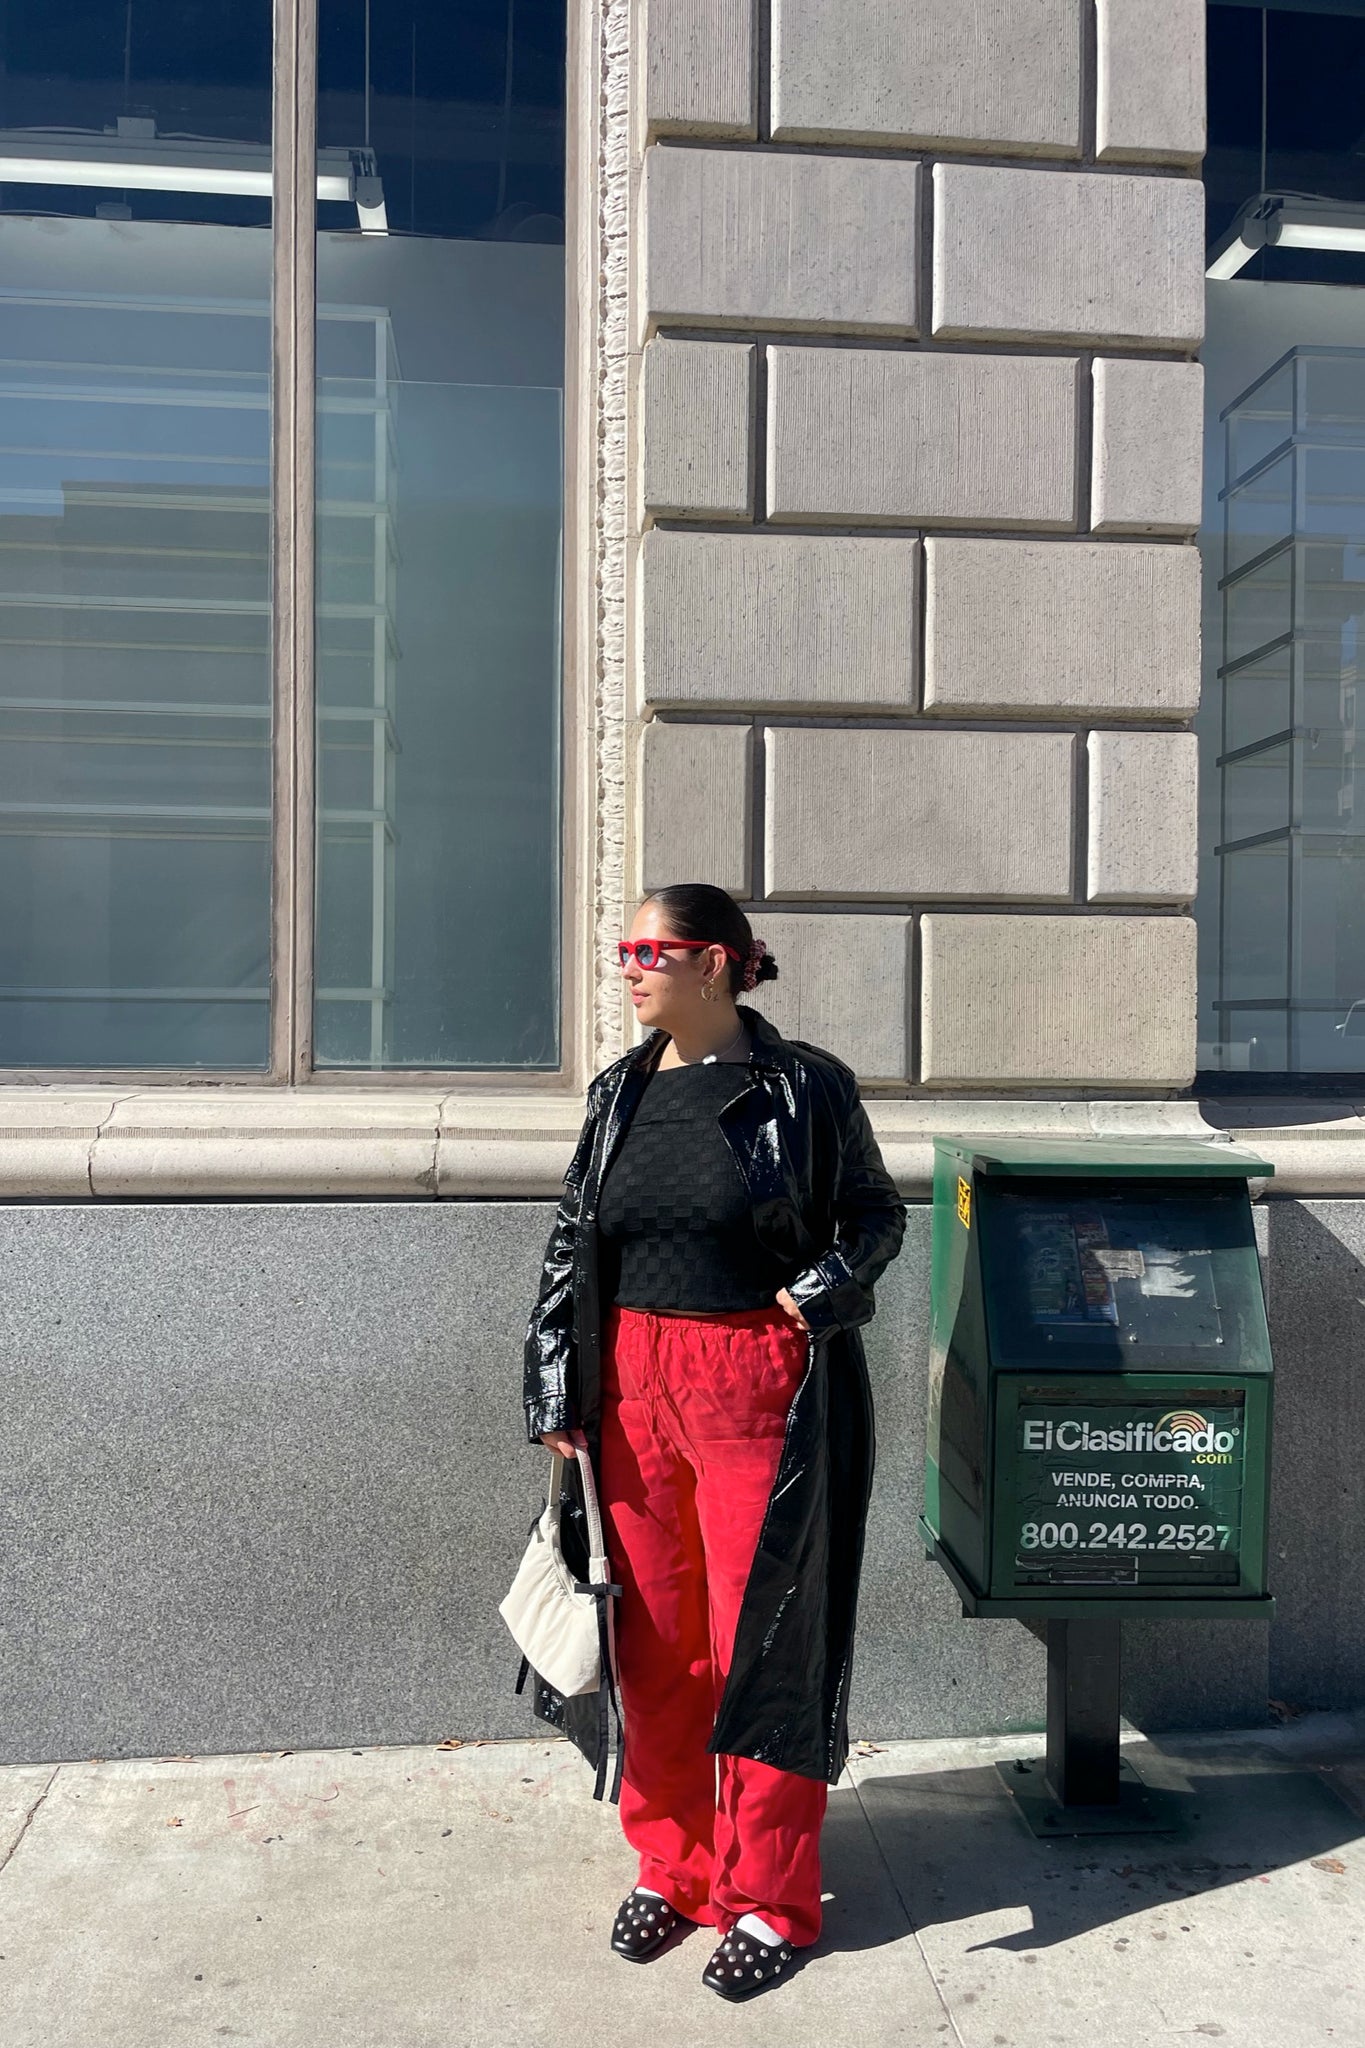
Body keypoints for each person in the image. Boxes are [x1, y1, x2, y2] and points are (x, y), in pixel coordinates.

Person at [523, 882, 905, 2003]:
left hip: (754, 1380)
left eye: (652, 950)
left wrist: (823, 1287)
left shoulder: (807, 1086)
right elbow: (571, 1241)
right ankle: (675, 1865)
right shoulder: (619, 1090)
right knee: (653, 1641)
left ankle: (770, 1894)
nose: (629, 968)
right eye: (625, 949)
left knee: (761, 1642)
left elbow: (874, 1214)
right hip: (629, 1384)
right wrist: (555, 1382)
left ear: (719, 962)